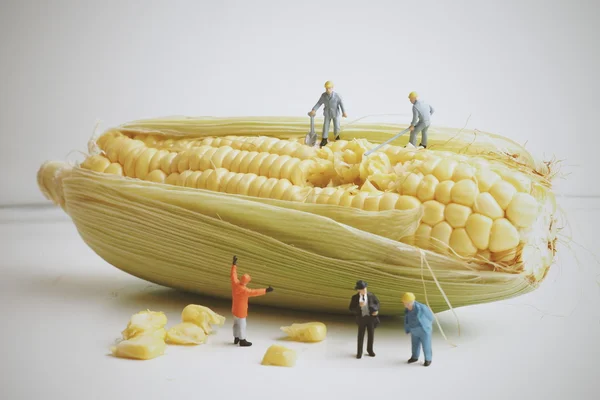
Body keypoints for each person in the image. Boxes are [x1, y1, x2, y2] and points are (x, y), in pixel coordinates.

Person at [230, 255, 273, 347]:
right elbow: (256, 292)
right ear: (246, 282)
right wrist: (266, 290)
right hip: (241, 311)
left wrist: (234, 264)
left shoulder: (235, 283)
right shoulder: (245, 291)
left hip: (234, 309)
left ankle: (236, 338)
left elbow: (233, 275)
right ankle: (242, 340)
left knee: (236, 324)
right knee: (242, 325)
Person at [308, 81, 347, 148]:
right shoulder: (323, 95)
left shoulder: (337, 96)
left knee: (337, 126)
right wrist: (314, 109)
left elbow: (341, 104)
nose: (327, 90)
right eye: (326, 88)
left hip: (335, 113)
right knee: (325, 126)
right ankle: (324, 139)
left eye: (329, 88)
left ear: (332, 88)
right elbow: (319, 103)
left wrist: (344, 112)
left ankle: (337, 137)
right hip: (327, 113)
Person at [348, 280, 379, 359]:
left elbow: (377, 303)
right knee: (361, 336)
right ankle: (359, 352)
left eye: (365, 288)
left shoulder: (371, 295)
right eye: (362, 289)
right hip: (361, 319)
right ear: (358, 290)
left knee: (371, 335)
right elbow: (351, 309)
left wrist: (376, 310)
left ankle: (370, 350)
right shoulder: (355, 298)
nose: (364, 290)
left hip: (370, 318)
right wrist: (359, 306)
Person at [403, 292, 434, 366]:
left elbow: (430, 317)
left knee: (426, 345)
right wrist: (407, 328)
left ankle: (428, 359)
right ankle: (414, 357)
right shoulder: (407, 309)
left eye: (407, 303)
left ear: (411, 302)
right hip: (413, 330)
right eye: (404, 303)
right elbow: (406, 319)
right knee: (414, 345)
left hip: (423, 330)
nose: (405, 305)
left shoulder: (422, 307)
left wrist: (427, 325)